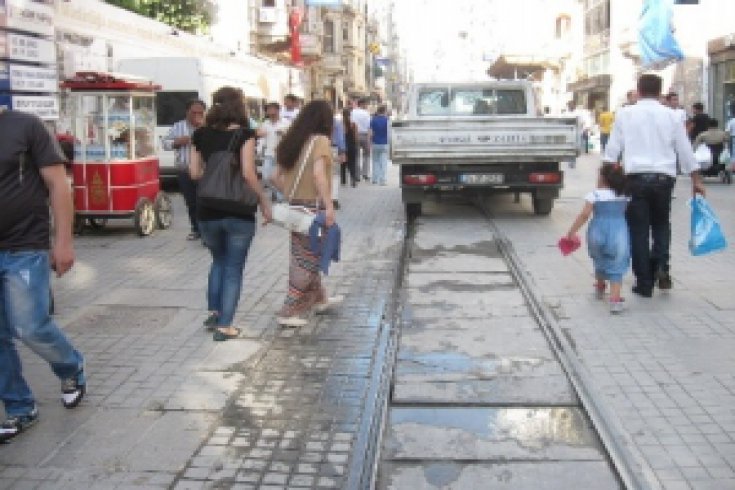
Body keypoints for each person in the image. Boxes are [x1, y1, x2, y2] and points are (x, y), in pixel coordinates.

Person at [0, 109, 86, 443]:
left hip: (25, 245)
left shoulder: (25, 125)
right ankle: (20, 408)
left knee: (30, 326)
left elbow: (57, 184)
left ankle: (71, 367)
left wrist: (63, 241)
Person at [603, 74, 705, 298]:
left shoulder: (625, 114)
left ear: (638, 91)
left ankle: (644, 283)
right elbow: (685, 150)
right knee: (661, 225)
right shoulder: (672, 116)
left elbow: (611, 153)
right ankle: (661, 266)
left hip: (635, 180)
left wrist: (605, 182)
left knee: (638, 231)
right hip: (663, 180)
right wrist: (696, 180)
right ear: (660, 94)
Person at [189, 87, 272, 341]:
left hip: (207, 210)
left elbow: (194, 173)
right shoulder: (245, 135)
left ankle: (214, 314)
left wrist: (214, 179)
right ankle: (225, 326)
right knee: (234, 268)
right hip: (238, 212)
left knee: (218, 261)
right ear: (240, 107)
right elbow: (248, 172)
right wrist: (263, 199)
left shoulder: (200, 135)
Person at [272, 100, 342, 327]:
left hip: (295, 207)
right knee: (307, 260)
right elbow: (319, 176)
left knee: (308, 254)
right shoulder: (320, 141)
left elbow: (274, 177)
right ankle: (288, 309)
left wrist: (292, 193)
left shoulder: (293, 141)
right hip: (313, 208)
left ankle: (319, 298)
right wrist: (329, 206)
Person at [565, 164, 630, 314]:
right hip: (618, 232)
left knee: (599, 258)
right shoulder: (624, 196)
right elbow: (624, 212)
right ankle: (615, 300)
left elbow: (584, 215)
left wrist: (571, 232)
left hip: (596, 232)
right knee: (616, 264)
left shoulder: (594, 195)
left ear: (603, 179)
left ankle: (600, 287)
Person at [163, 99, 206, 240]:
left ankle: (206, 229)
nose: (196, 115)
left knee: (204, 201)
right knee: (191, 201)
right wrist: (177, 142)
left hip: (203, 171)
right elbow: (165, 143)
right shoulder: (178, 126)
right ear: (187, 112)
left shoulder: (208, 127)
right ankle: (196, 228)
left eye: (200, 113)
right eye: (194, 112)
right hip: (184, 169)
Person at [257, 102, 290, 201]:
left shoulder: (286, 123)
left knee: (279, 176)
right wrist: (259, 151)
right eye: (268, 109)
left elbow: (292, 137)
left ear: (277, 110)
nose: (270, 111)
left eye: (272, 109)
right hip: (268, 153)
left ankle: (281, 197)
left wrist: (284, 134)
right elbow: (262, 138)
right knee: (266, 176)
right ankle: (277, 192)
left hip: (282, 154)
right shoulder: (265, 124)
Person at [351, 98, 372, 181]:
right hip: (365, 135)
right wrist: (369, 138)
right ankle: (365, 174)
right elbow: (369, 126)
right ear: (362, 104)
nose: (367, 106)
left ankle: (357, 175)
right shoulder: (366, 113)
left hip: (355, 135)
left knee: (356, 156)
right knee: (366, 155)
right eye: (366, 104)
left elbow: (351, 123)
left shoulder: (353, 112)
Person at [370, 105, 390, 185]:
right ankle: (383, 180)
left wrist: (370, 142)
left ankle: (375, 179)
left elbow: (371, 133)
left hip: (375, 143)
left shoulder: (373, 120)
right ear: (384, 111)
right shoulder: (387, 120)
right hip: (384, 143)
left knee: (375, 161)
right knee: (384, 162)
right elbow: (389, 133)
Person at [342, 108, 358, 187]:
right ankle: (353, 178)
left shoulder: (341, 124)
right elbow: (355, 137)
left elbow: (341, 136)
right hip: (352, 145)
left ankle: (343, 180)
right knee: (352, 163)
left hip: (344, 146)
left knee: (343, 163)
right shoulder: (354, 124)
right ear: (350, 115)